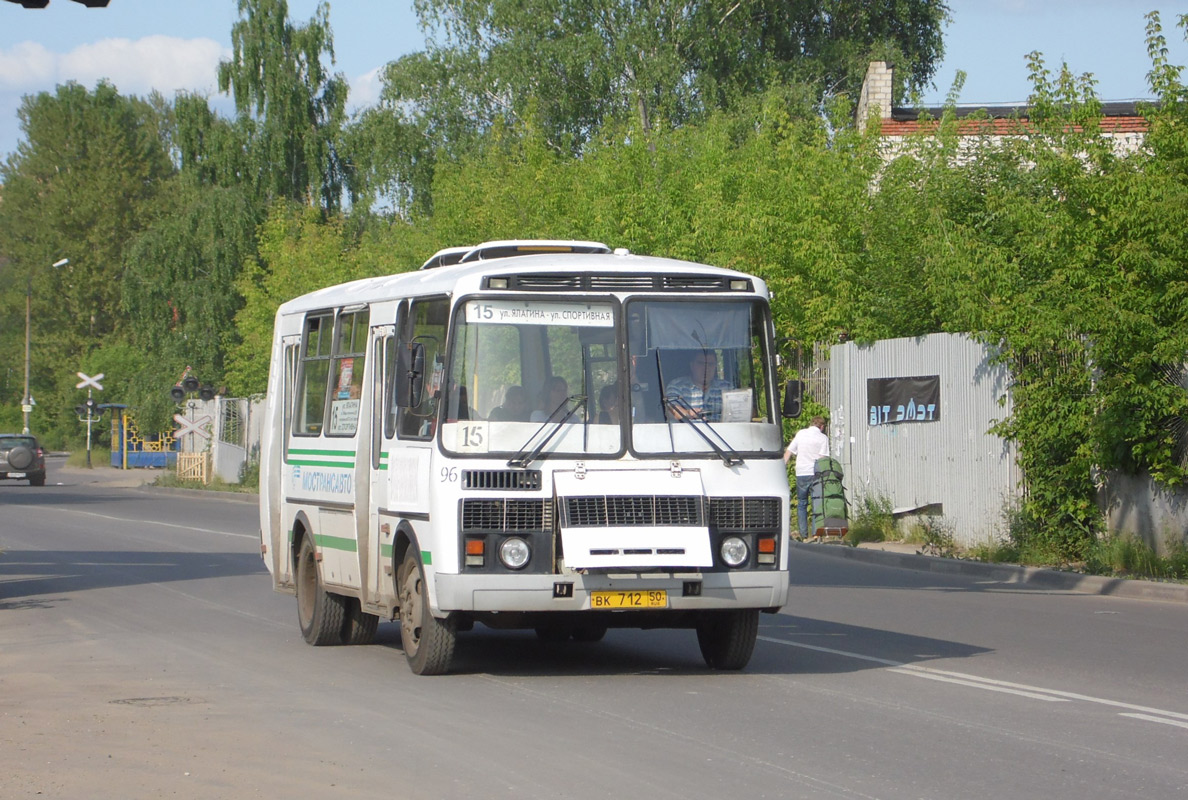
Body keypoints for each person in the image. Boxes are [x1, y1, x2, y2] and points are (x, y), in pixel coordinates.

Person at [784, 416, 830, 540]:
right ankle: (816, 534)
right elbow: (823, 459)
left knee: (802, 504)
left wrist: (781, 468)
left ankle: (804, 535)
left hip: (801, 473)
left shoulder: (800, 434)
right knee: (817, 503)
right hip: (816, 474)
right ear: (821, 426)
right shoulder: (823, 438)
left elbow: (789, 452)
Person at [665, 350, 731, 421]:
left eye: (711, 364)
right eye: (701, 363)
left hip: (721, 431)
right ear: (692, 365)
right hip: (687, 431)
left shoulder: (726, 387)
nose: (706, 368)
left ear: (715, 367)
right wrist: (688, 413)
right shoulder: (677, 386)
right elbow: (671, 410)